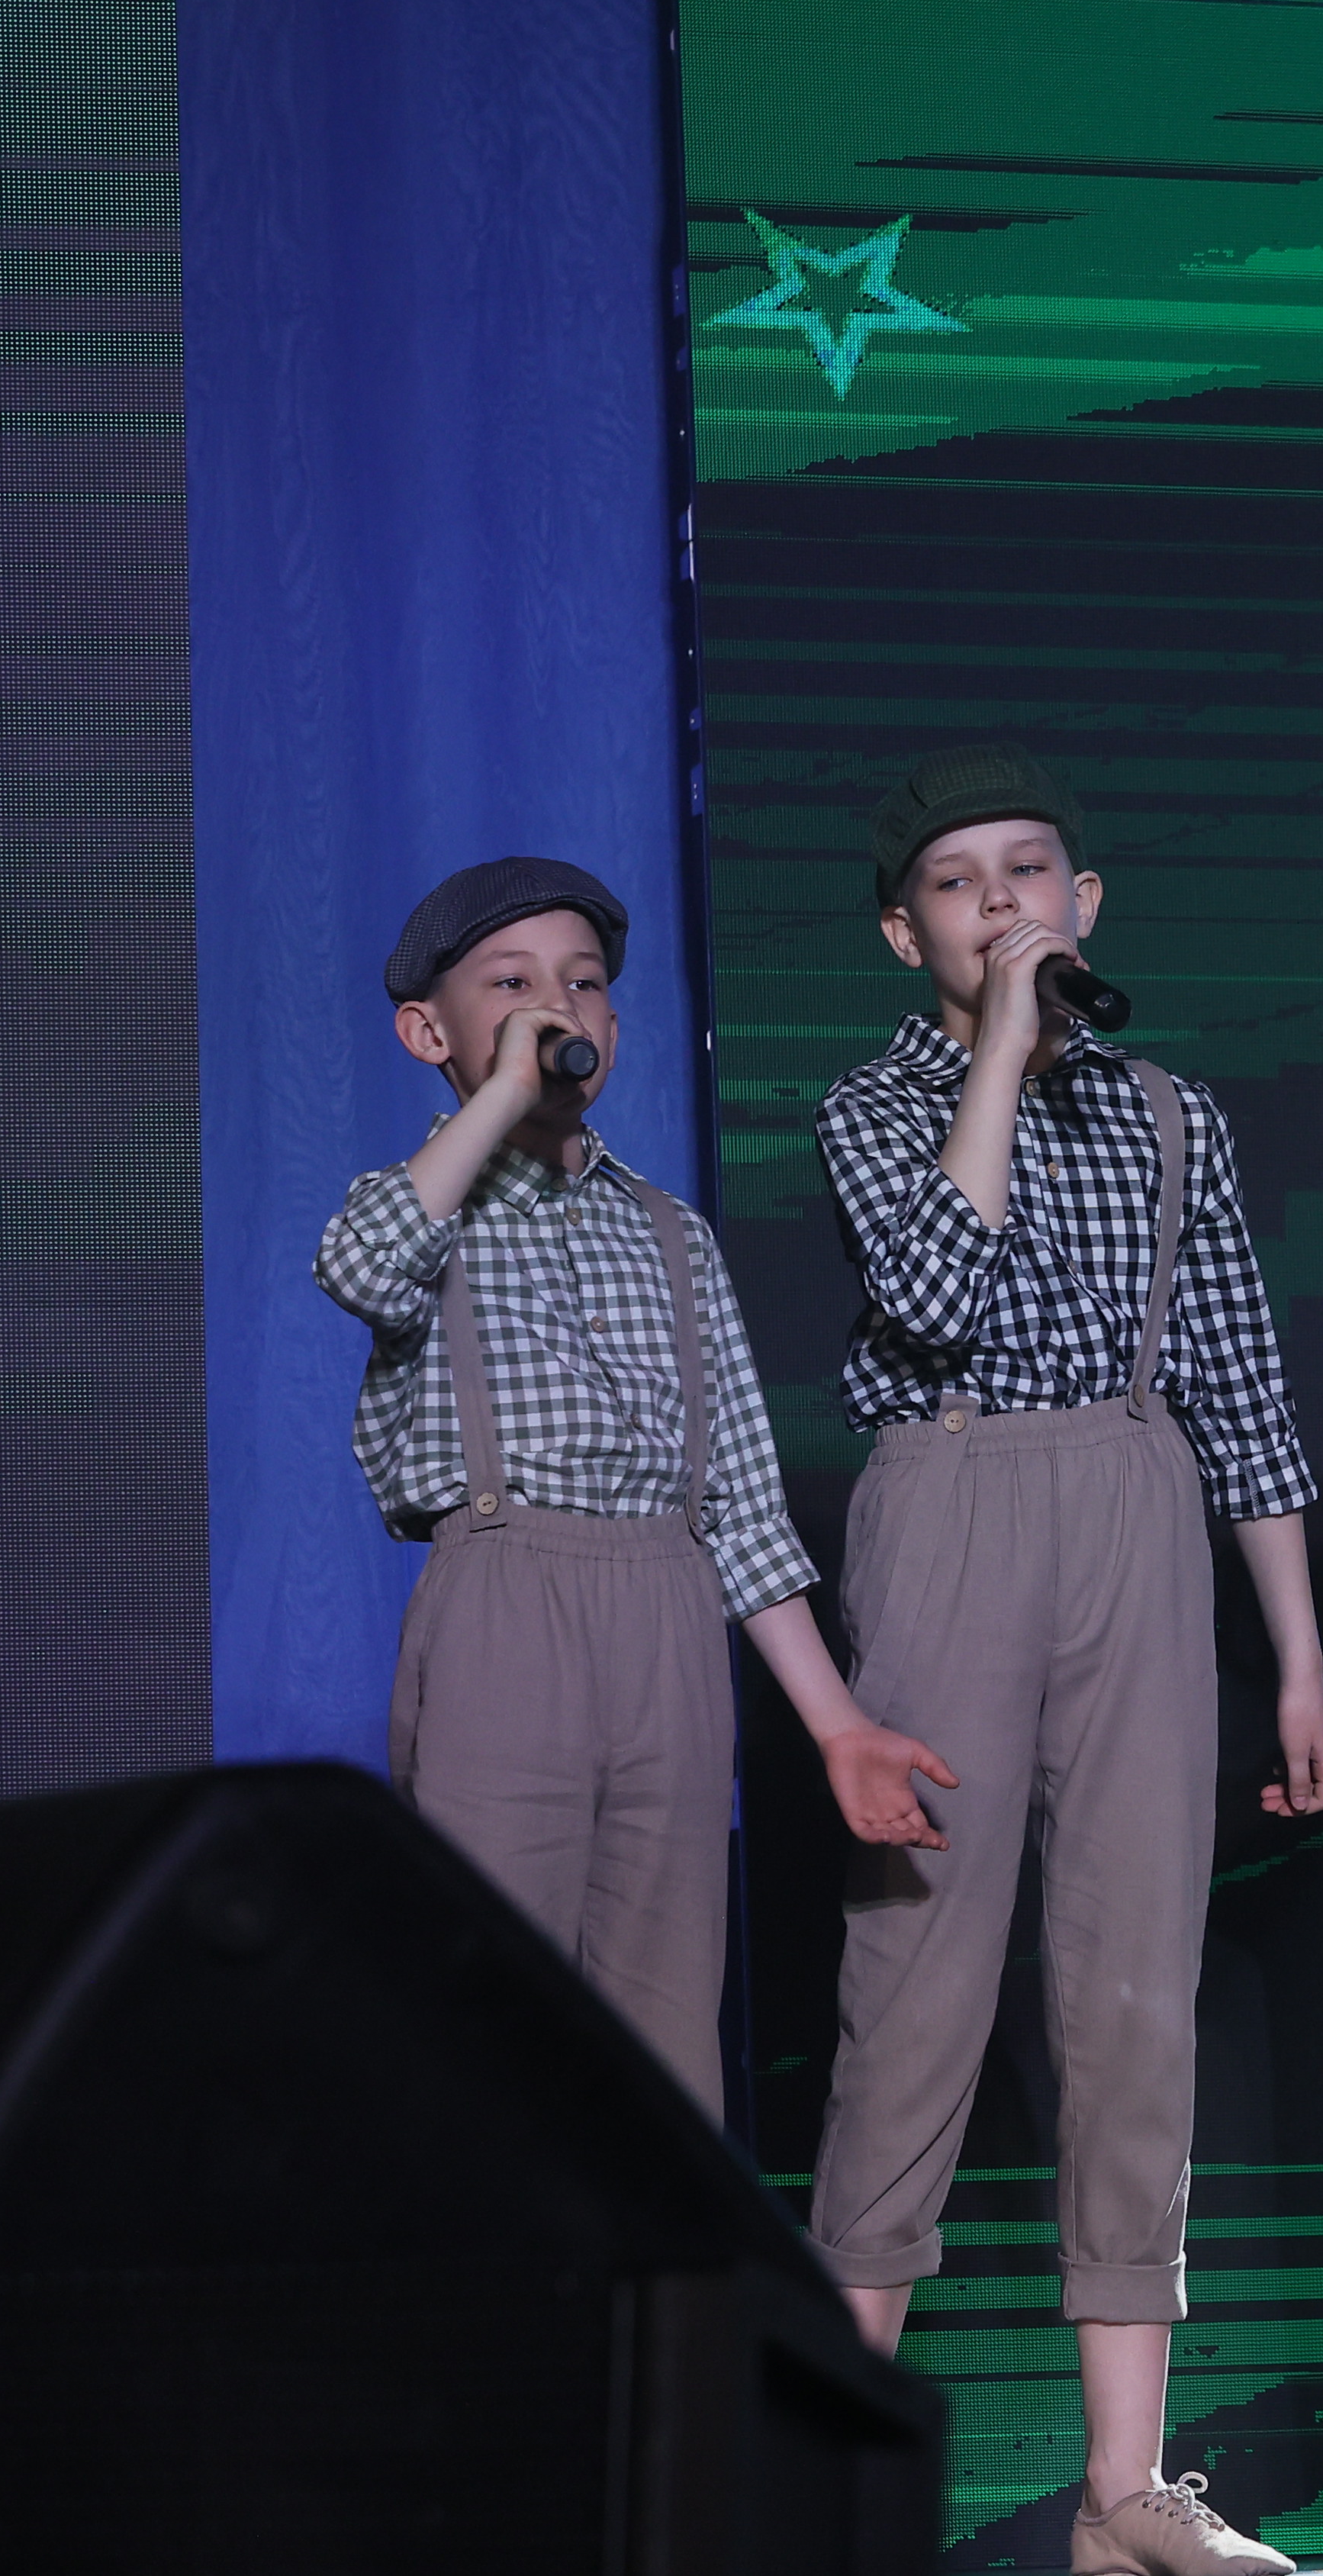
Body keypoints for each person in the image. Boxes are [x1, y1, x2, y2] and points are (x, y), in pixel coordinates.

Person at [806, 744, 1323, 2576]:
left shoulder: (1169, 1111)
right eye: (961, 884)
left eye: (1030, 872)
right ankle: (833, 2470)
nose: (1003, 904)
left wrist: (1296, 1656)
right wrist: (997, 1062)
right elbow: (930, 1297)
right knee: (917, 1986)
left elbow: (1242, 1384)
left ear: (1085, 902)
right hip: (951, 1489)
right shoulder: (872, 1104)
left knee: (1134, 1991)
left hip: (1133, 1497)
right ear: (910, 935)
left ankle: (1129, 2486)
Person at [318, 857, 939, 2117]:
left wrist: (837, 1727)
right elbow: (361, 1268)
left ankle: (656, 2247)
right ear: (429, 1034)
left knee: (661, 2002)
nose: (557, 1006)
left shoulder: (671, 1233)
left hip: (666, 1613)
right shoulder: (417, 1209)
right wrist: (500, 1099)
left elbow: (743, 1507)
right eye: (511, 984)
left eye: (585, 983)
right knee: (488, 1989)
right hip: (506, 1602)